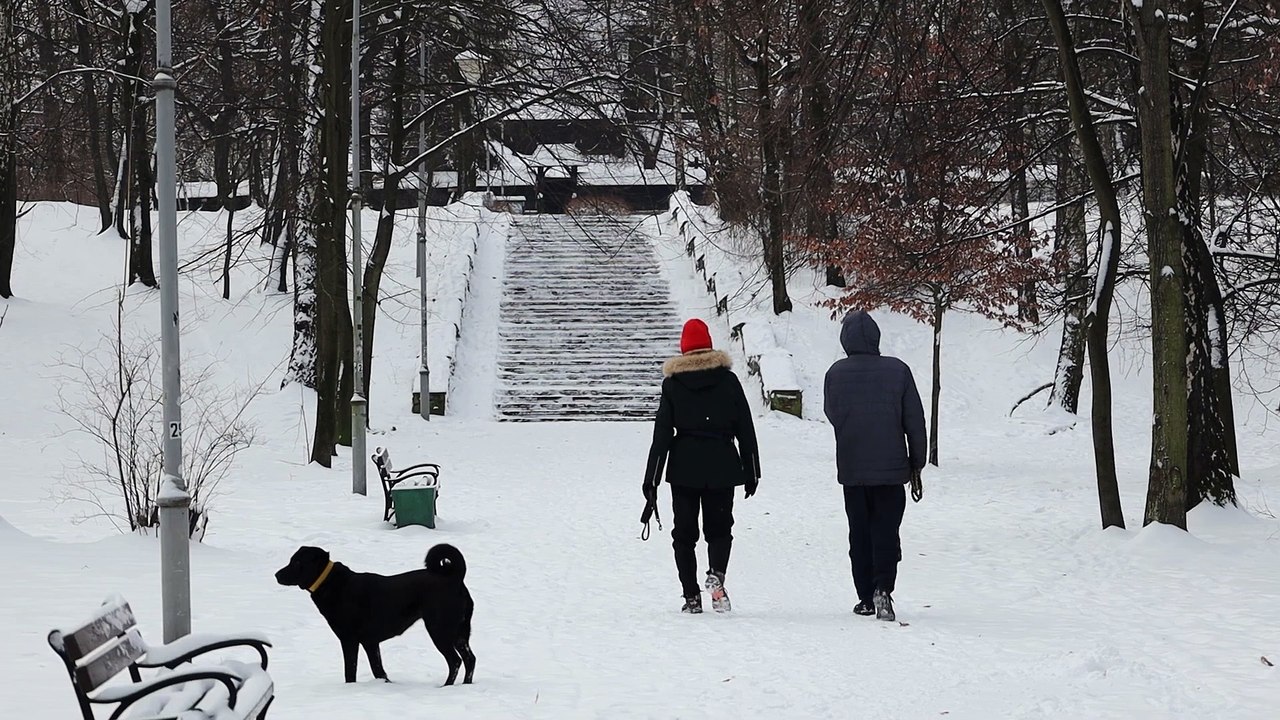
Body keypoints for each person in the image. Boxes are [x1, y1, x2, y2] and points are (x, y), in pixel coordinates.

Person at [644, 318, 760, 614]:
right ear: (709, 344)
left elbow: (662, 434)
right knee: (720, 530)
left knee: (684, 535)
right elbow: (745, 427)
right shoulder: (728, 380)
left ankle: (691, 597)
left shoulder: (672, 384)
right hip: (722, 462)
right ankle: (716, 576)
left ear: (684, 347)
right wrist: (752, 470)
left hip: (684, 466)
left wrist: (652, 479)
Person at [823, 310, 927, 622]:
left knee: (860, 532)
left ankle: (865, 596)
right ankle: (884, 588)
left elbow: (832, 413)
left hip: (853, 469)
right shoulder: (898, 371)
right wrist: (916, 464)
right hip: (892, 469)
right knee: (886, 530)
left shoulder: (835, 373)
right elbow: (915, 421)